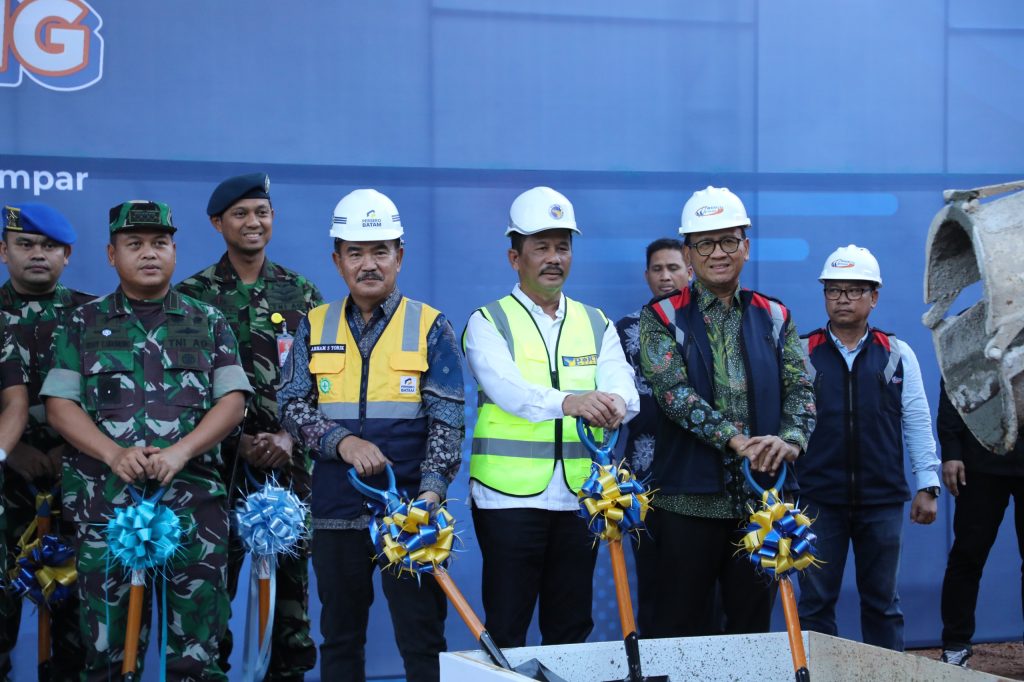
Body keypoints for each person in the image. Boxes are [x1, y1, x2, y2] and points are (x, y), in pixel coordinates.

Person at [40, 201, 251, 681]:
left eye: (160, 243)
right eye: (134, 244)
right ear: (111, 255)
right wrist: (114, 454)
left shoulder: (209, 320)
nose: (149, 253)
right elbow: (60, 405)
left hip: (193, 508)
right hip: (105, 506)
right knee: (107, 655)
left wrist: (181, 452)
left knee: (196, 656)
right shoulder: (81, 322)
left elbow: (233, 402)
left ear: (175, 251)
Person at [277, 189, 463, 682]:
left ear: (399, 256)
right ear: (336, 260)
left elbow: (447, 420)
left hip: (410, 513)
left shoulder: (430, 326)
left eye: (380, 251)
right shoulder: (314, 324)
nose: (368, 264)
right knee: (339, 640)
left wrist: (429, 496)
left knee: (423, 642)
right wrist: (342, 442)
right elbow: (290, 403)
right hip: (336, 510)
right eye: (355, 252)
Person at [463, 186, 639, 648]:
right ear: (514, 258)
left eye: (563, 247)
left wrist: (616, 405)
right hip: (507, 500)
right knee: (507, 627)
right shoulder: (488, 321)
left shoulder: (595, 321)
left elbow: (622, 384)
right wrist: (571, 402)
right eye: (540, 247)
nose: (554, 258)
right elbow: (509, 391)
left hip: (579, 498)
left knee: (570, 628)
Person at [638, 185, 815, 637]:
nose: (718, 253)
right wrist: (736, 441)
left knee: (752, 631)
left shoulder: (775, 315)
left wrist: (790, 441)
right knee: (679, 630)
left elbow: (801, 387)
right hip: (686, 502)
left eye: (728, 241)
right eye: (705, 244)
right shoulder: (661, 317)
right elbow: (673, 394)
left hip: (762, 503)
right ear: (689, 254)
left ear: (746, 247)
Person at [177, 173, 321, 680]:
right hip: (215, 471)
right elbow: (182, 390)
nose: (252, 222)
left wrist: (289, 436)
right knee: (210, 605)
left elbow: (323, 380)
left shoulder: (302, 293)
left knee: (290, 609)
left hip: (290, 471)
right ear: (217, 223)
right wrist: (235, 440)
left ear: (273, 218)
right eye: (239, 214)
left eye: (261, 212)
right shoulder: (192, 296)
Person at [796, 244, 940, 652]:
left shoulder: (897, 353)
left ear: (874, 297)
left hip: (882, 500)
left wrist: (928, 484)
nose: (842, 298)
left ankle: (887, 675)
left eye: (854, 290)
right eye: (834, 290)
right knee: (816, 603)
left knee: (883, 604)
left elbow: (917, 421)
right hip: (816, 500)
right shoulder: (800, 353)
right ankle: (820, 675)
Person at [0, 203, 93, 679]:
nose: (38, 254)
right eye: (25, 244)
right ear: (4, 251)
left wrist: (72, 446)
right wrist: (10, 450)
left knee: (78, 631)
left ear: (67, 255)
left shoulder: (96, 315)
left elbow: (120, 400)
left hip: (78, 486)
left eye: (50, 246)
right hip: (4, 491)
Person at [613, 237, 689, 636]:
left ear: (690, 271)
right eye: (657, 269)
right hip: (644, 479)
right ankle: (653, 662)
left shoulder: (709, 326)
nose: (665, 276)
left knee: (698, 588)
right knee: (652, 583)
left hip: (699, 479)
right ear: (646, 276)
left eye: (673, 268)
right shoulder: (626, 329)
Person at [938, 378, 1024, 667]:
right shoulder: (975, 342)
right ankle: (956, 645)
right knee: (967, 555)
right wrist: (951, 451)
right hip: (980, 461)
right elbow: (954, 380)